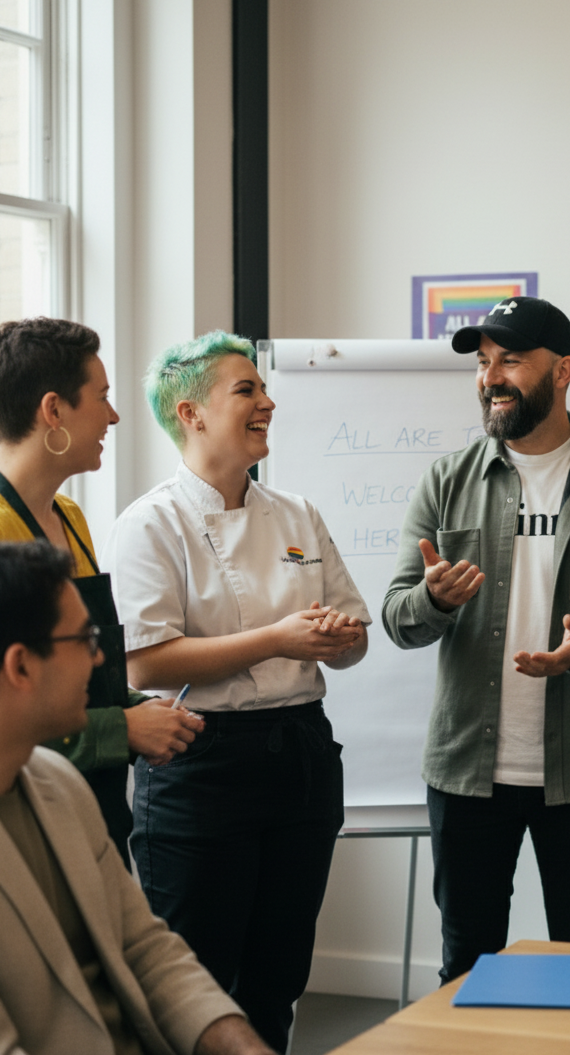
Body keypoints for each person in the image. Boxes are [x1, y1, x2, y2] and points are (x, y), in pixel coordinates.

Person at [382, 296, 570, 983]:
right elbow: (398, 615)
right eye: (485, 362)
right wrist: (432, 599)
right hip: (466, 772)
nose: (491, 377)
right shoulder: (446, 480)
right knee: (466, 960)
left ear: (564, 370)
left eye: (510, 360)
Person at [102, 331, 370, 1054]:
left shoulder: (297, 513)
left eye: (262, 389)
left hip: (302, 759)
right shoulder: (150, 523)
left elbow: (353, 638)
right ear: (190, 414)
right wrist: (281, 638)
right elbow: (147, 665)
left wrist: (340, 638)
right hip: (202, 765)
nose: (267, 402)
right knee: (194, 987)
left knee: (276, 980)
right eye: (246, 390)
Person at [0, 540, 277, 1055]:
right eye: (85, 640)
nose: (101, 658)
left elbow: (147, 950)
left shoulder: (59, 786)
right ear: (21, 667)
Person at [0, 317, 203, 866]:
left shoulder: (70, 517)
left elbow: (91, 671)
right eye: (103, 397)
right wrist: (124, 728)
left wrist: (140, 709)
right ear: (53, 411)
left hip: (95, 809)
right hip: (23, 827)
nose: (113, 415)